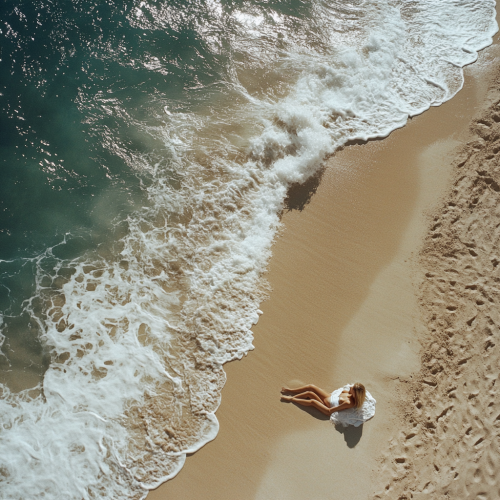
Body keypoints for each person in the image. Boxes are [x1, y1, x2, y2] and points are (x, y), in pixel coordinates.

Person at [280, 383, 366, 416]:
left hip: (326, 406)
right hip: (328, 397)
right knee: (311, 387)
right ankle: (290, 390)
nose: (350, 387)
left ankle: (292, 399)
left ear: (355, 394)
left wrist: (320, 404)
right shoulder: (349, 393)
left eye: (352, 388)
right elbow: (340, 393)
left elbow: (330, 411)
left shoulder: (348, 402)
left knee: (311, 398)